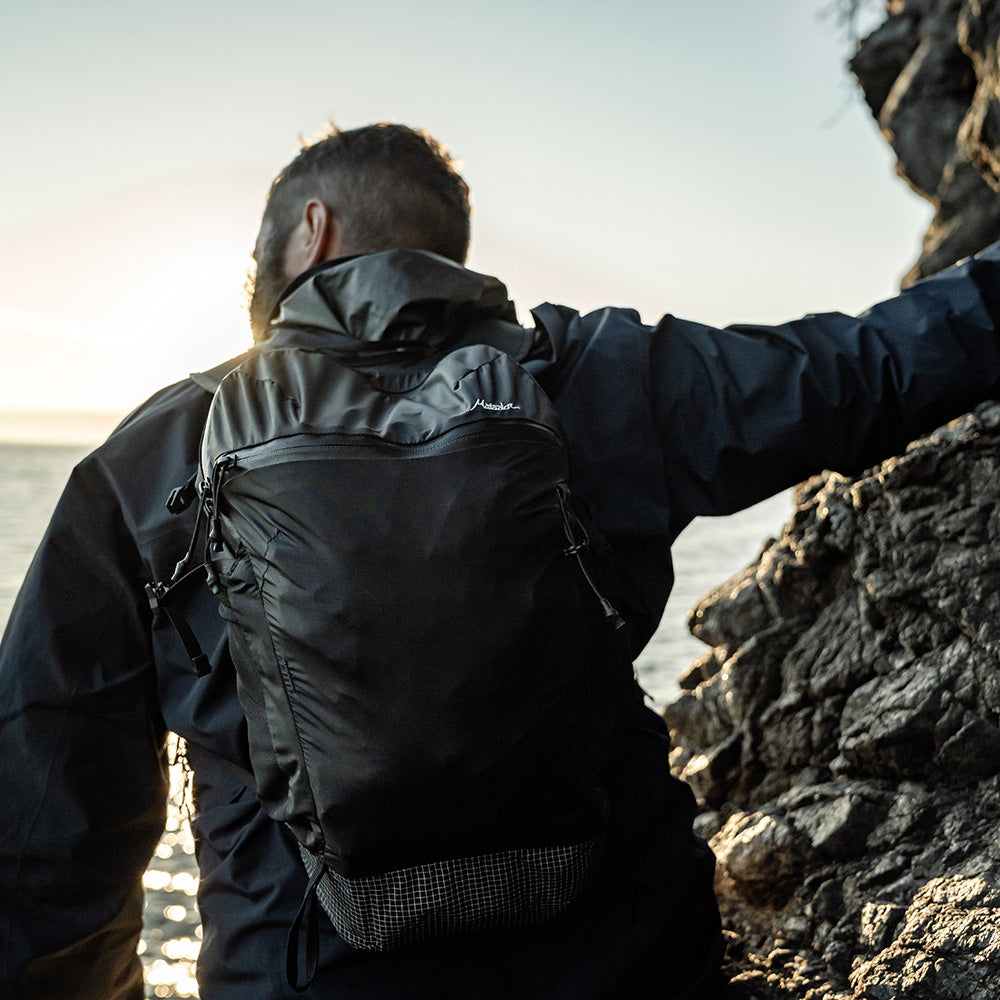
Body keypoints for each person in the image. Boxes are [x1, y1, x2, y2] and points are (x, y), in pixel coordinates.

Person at [2, 121, 1000, 1000]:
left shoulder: (155, 454)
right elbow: (865, 370)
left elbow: (51, 829)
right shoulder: (601, 372)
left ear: (310, 232)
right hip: (628, 966)